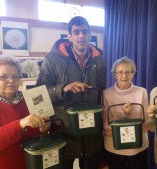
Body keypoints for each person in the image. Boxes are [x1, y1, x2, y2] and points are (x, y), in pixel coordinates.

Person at [36, 16, 106, 169]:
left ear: (89, 35)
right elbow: (38, 96)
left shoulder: (99, 60)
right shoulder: (52, 59)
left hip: (91, 132)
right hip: (63, 130)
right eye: (76, 32)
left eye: (84, 32)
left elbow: (103, 92)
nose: (81, 36)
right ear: (69, 36)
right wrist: (63, 88)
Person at [0, 55, 50, 169]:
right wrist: (20, 124)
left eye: (15, 76)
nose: (11, 80)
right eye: (3, 77)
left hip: (29, 164)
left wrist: (43, 129)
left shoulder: (28, 99)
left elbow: (33, 135)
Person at [102, 57, 149, 169]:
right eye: (120, 72)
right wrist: (122, 112)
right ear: (115, 74)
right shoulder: (106, 94)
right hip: (114, 146)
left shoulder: (141, 92)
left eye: (128, 72)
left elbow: (145, 122)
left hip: (139, 146)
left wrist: (119, 129)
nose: (124, 76)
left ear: (133, 74)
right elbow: (106, 126)